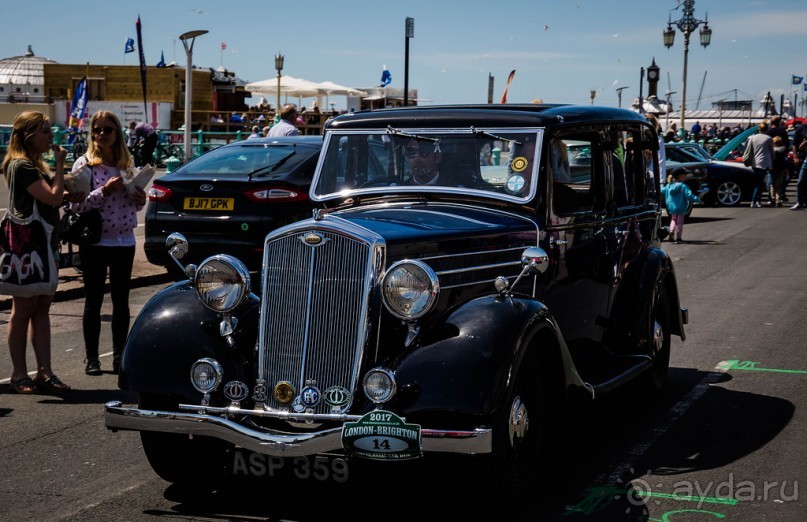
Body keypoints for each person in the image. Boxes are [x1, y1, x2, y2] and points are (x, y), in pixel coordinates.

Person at [70, 111, 147, 375]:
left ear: (117, 134)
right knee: (93, 301)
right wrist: (104, 191)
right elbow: (75, 205)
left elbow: (133, 205)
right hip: (95, 241)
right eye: (96, 130)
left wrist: (140, 199)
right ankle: (92, 358)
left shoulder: (127, 164)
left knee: (121, 301)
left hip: (124, 241)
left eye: (107, 130)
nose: (101, 134)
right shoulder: (85, 164)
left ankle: (118, 356)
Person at [1, 111, 71, 394]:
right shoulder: (21, 165)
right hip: (28, 247)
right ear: (28, 135)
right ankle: (19, 373)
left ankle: (45, 371)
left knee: (42, 308)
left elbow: (49, 197)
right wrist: (61, 166)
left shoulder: (33, 165)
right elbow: (52, 197)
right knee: (23, 309)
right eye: (45, 131)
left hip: (43, 243)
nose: (50, 137)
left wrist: (66, 192)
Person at [661, 169, 701, 244]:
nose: (686, 176)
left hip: (672, 207)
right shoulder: (683, 186)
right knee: (680, 222)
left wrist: (659, 185)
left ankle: (671, 231)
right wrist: (698, 200)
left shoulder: (669, 185)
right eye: (684, 175)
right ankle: (679, 238)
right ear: (680, 176)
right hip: (681, 207)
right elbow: (689, 196)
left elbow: (662, 190)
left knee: (673, 220)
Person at [744, 122, 774, 208]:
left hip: (755, 162)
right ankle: (755, 200)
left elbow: (749, 149)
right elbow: (771, 152)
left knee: (757, 182)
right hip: (764, 162)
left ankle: (757, 200)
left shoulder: (753, 138)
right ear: (766, 129)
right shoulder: (769, 138)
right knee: (760, 183)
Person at [791, 122, 807, 210]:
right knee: (801, 181)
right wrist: (795, 156)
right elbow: (795, 144)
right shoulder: (801, 129)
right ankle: (800, 202)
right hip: (803, 158)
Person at [769, 135, 787, 207]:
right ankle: (778, 200)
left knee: (772, 184)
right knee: (779, 185)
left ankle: (772, 199)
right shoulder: (783, 149)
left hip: (772, 168)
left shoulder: (772, 150)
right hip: (781, 168)